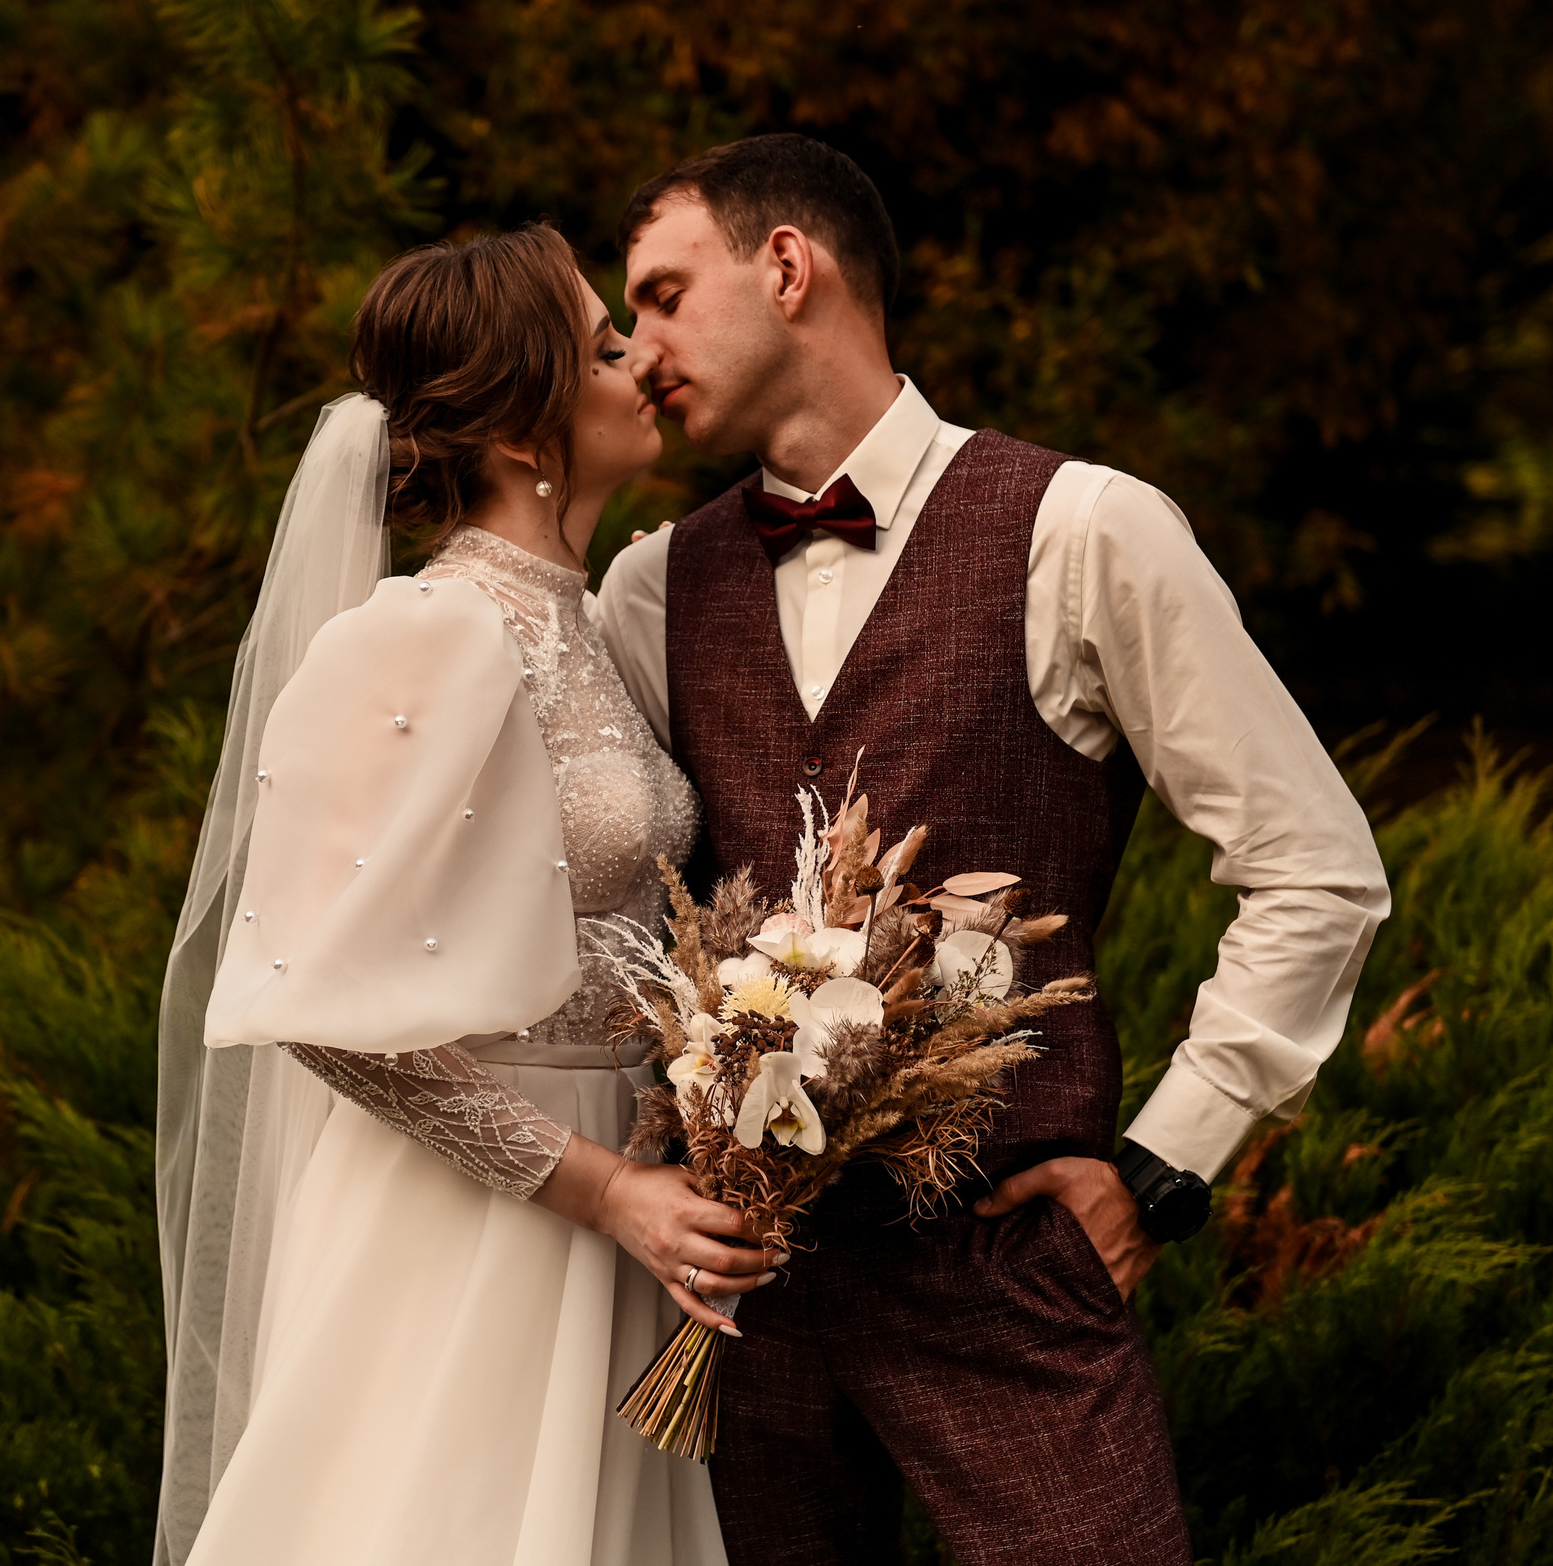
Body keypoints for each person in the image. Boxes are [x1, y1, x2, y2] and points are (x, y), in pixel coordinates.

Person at [595, 135, 1392, 1565]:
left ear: (788, 267)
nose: (637, 348)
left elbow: (1316, 866)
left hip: (1010, 1278)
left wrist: (1162, 1165)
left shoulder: (1085, 531)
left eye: (660, 294)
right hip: (740, 1310)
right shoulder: (653, 587)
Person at [154, 225, 755, 1566]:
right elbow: (318, 1009)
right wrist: (599, 1187)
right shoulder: (425, 632)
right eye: (606, 344)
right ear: (523, 421)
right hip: (475, 1217)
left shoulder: (594, 628)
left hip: (619, 1209)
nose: (642, 361)